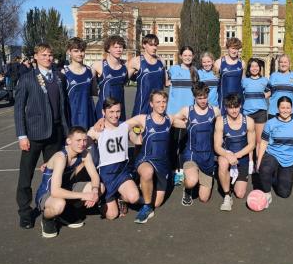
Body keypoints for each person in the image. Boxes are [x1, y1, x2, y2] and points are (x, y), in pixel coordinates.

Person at [15, 43, 69, 229]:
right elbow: (19, 110)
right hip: (34, 135)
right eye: (44, 55)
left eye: (50, 55)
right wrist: (22, 135)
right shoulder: (27, 79)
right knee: (26, 176)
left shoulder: (59, 78)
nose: (48, 58)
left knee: (55, 175)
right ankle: (25, 212)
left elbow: (63, 108)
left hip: (55, 133)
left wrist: (66, 131)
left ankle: (52, 209)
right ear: (36, 56)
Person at [35, 126, 102, 238]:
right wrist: (85, 195)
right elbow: (55, 191)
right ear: (69, 141)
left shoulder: (85, 153)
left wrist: (94, 191)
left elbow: (95, 176)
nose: (82, 143)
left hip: (67, 189)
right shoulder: (61, 157)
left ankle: (66, 212)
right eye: (78, 140)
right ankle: (47, 219)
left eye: (85, 140)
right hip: (47, 194)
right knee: (59, 204)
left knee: (100, 187)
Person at [87, 98, 147, 222]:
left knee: (134, 197)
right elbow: (80, 143)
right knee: (111, 215)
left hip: (121, 172)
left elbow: (137, 139)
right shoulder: (96, 130)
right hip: (106, 175)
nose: (115, 115)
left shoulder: (124, 126)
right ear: (103, 112)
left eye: (118, 111)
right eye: (111, 111)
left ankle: (120, 197)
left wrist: (144, 135)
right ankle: (105, 200)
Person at [132, 90, 186, 222]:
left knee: (156, 203)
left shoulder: (170, 119)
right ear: (151, 104)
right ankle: (143, 204)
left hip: (163, 164)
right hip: (146, 160)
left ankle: (137, 195)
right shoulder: (143, 119)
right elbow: (124, 126)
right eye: (158, 102)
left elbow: (186, 124)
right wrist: (134, 138)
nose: (162, 105)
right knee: (147, 172)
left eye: (164, 102)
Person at [173, 82, 221, 205]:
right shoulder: (187, 110)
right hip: (191, 154)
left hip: (207, 156)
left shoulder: (215, 111)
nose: (203, 100)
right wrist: (184, 124)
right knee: (192, 181)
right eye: (199, 98)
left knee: (204, 198)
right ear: (194, 97)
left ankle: (199, 175)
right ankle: (188, 189)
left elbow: (221, 127)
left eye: (205, 97)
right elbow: (173, 120)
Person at [257, 96, 293, 205]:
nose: (285, 110)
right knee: (265, 169)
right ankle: (267, 193)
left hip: (289, 159)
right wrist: (259, 161)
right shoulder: (270, 123)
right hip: (273, 155)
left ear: (292, 108)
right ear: (278, 108)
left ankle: (275, 177)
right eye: (282, 107)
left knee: (284, 194)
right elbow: (263, 142)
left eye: (288, 108)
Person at [214, 93, 256, 211]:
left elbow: (252, 144)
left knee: (240, 194)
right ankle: (227, 196)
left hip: (241, 157)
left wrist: (237, 155)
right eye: (230, 107)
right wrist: (228, 155)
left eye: (236, 107)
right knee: (222, 163)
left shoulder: (249, 121)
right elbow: (217, 147)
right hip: (226, 155)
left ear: (240, 106)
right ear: (226, 107)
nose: (234, 110)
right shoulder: (220, 121)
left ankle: (230, 180)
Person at [167, 46, 200, 183]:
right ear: (180, 56)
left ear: (192, 56)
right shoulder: (173, 69)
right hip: (173, 113)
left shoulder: (195, 72)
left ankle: (181, 170)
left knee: (184, 144)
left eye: (189, 55)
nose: (187, 57)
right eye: (185, 55)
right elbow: (165, 82)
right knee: (172, 144)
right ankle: (172, 170)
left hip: (188, 114)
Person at [92, 36, 129, 120]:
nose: (118, 50)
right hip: (103, 111)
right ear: (108, 49)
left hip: (119, 110)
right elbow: (90, 87)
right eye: (115, 47)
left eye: (120, 47)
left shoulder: (126, 66)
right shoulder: (98, 65)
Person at [241, 58, 270, 169]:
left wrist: (265, 95)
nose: (254, 68)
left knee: (259, 140)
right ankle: (250, 162)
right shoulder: (244, 81)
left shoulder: (265, 80)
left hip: (260, 112)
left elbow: (270, 90)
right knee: (249, 140)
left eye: (256, 66)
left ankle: (258, 161)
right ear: (249, 68)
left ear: (259, 68)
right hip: (247, 113)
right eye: (252, 66)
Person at [129, 34, 167, 116]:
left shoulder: (162, 62)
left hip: (158, 105)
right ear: (144, 45)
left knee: (157, 128)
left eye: (156, 45)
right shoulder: (136, 61)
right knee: (138, 128)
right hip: (142, 105)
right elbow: (123, 79)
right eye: (151, 45)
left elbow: (166, 82)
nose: (154, 48)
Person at [63, 38, 96, 130]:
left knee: (89, 143)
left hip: (89, 116)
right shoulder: (64, 73)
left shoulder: (91, 71)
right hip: (72, 117)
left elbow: (93, 93)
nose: (80, 54)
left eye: (82, 51)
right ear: (69, 52)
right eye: (76, 51)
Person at [215, 37, 245, 114]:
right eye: (232, 48)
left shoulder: (242, 63)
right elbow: (214, 83)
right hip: (223, 99)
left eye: (236, 49)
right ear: (228, 48)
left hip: (238, 99)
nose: (234, 51)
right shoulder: (219, 63)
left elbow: (244, 82)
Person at [266, 54, 293, 119]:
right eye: (281, 62)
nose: (283, 64)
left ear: (289, 64)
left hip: (290, 111)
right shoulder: (273, 76)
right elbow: (267, 92)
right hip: (274, 111)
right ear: (278, 64)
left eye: (285, 62)